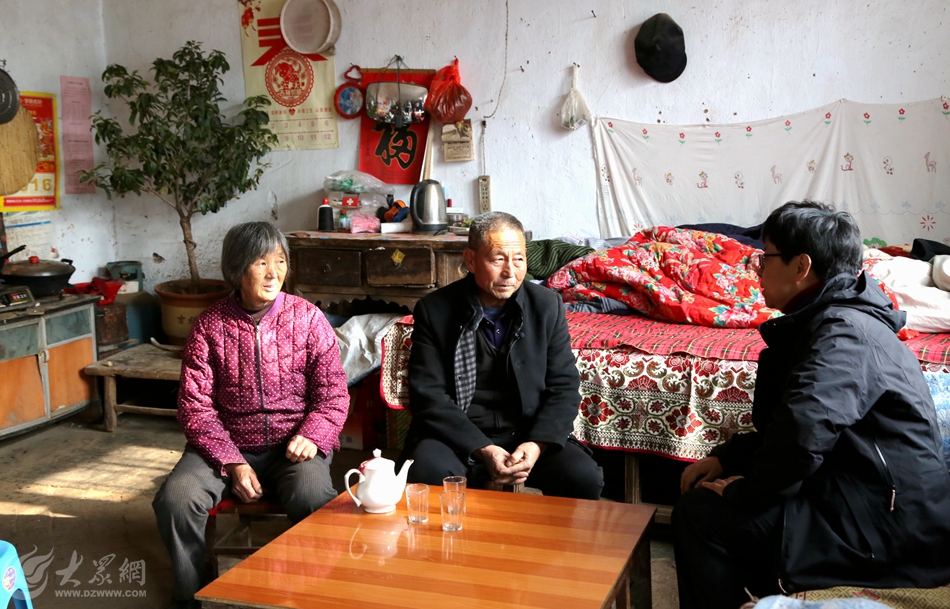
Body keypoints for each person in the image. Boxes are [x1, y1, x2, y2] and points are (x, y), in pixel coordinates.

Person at [673, 201, 950, 609]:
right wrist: (729, 458)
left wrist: (743, 492)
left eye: (765, 258)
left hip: (891, 534)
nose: (757, 270)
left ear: (801, 266)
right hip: (861, 499)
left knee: (700, 514)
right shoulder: (834, 320)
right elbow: (792, 424)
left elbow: (803, 434)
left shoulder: (845, 333)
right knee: (720, 495)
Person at [153, 221, 349, 608]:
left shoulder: (308, 319)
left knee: (315, 499)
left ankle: (318, 592)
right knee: (176, 499)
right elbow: (195, 406)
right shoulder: (208, 326)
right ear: (236, 269)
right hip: (225, 447)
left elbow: (333, 393)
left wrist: (313, 434)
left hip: (293, 446)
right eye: (261, 263)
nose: (274, 273)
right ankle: (190, 594)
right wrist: (233, 461)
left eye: (280, 261)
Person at [399, 211, 603, 499]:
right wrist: (483, 448)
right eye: (498, 260)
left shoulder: (546, 306)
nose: (510, 272)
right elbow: (428, 395)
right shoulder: (435, 310)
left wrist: (536, 445)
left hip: (527, 433)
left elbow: (564, 387)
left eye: (518, 259)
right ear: (470, 260)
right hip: (458, 435)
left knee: (582, 477)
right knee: (428, 470)